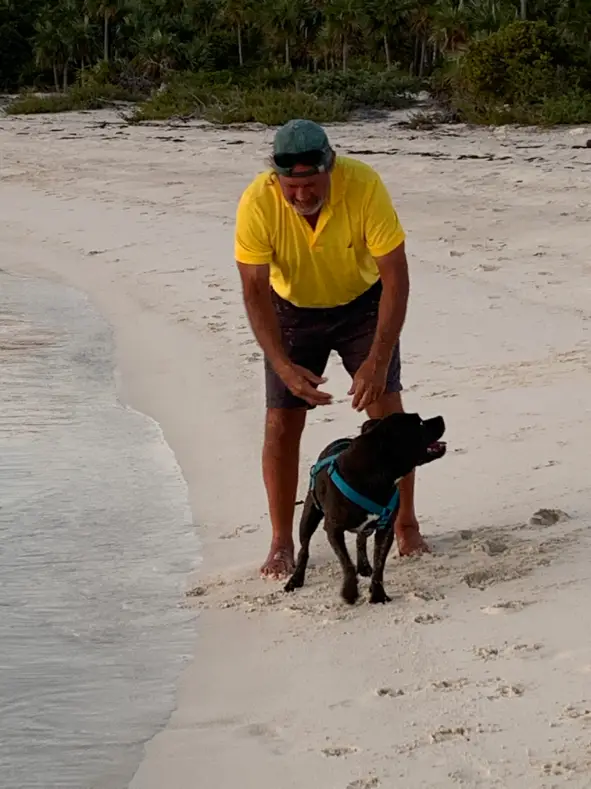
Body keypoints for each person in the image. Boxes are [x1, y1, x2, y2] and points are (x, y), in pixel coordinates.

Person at [234, 118, 428, 580]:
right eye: (291, 186)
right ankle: (282, 541)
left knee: (387, 418)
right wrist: (282, 365)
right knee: (281, 422)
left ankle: (406, 524)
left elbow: (396, 279)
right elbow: (254, 291)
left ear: (330, 167)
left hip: (362, 304)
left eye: (311, 183)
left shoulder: (363, 186)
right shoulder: (258, 201)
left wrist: (378, 360)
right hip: (291, 309)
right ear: (277, 178)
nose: (302, 195)